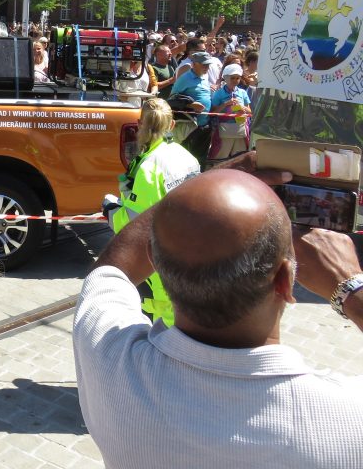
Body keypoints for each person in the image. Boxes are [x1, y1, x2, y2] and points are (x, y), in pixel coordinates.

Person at [74, 169, 363, 469]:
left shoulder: (109, 363)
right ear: (286, 281)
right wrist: (351, 287)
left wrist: (212, 179)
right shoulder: (347, 420)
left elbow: (110, 270)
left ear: (154, 261)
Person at [110, 98, 200, 325]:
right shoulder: (187, 157)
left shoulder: (149, 168)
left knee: (165, 325)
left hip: (160, 269)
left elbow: (133, 225)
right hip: (191, 255)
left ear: (140, 124)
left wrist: (110, 209)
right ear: (171, 126)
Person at [210, 63, 252, 159]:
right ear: (225, 77)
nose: (235, 80)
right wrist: (225, 104)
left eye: (237, 78)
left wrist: (242, 107)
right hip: (224, 131)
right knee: (220, 156)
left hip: (240, 129)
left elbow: (249, 111)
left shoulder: (243, 92)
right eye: (232, 78)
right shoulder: (218, 93)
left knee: (239, 158)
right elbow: (213, 112)